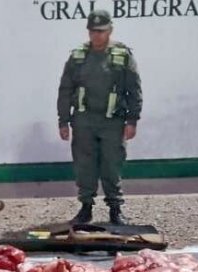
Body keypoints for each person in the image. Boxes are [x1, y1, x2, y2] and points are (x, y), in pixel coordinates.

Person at [57, 9, 142, 225]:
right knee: (84, 166)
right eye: (93, 31)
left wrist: (132, 120)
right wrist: (63, 120)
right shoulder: (78, 57)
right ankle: (85, 208)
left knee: (112, 165)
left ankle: (115, 209)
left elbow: (134, 90)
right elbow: (65, 89)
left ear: (110, 30)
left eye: (101, 31)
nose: (97, 35)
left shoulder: (122, 56)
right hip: (84, 121)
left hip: (112, 121)